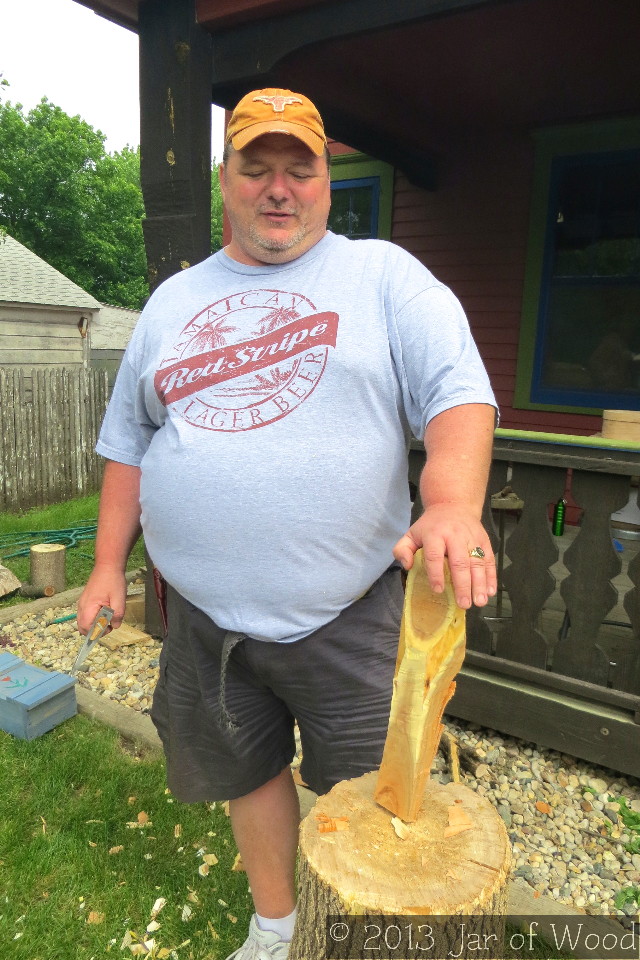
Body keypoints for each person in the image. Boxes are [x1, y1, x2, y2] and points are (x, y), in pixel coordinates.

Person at [77, 88, 498, 960]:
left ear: (326, 180)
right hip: (205, 622)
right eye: (255, 168)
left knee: (387, 798)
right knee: (249, 772)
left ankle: (367, 941)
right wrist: (107, 565)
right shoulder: (172, 302)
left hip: (349, 618)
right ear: (224, 179)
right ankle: (276, 927)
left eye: (298, 169)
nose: (278, 188)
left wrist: (452, 502)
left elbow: (457, 390)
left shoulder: (384, 277)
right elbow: (128, 444)